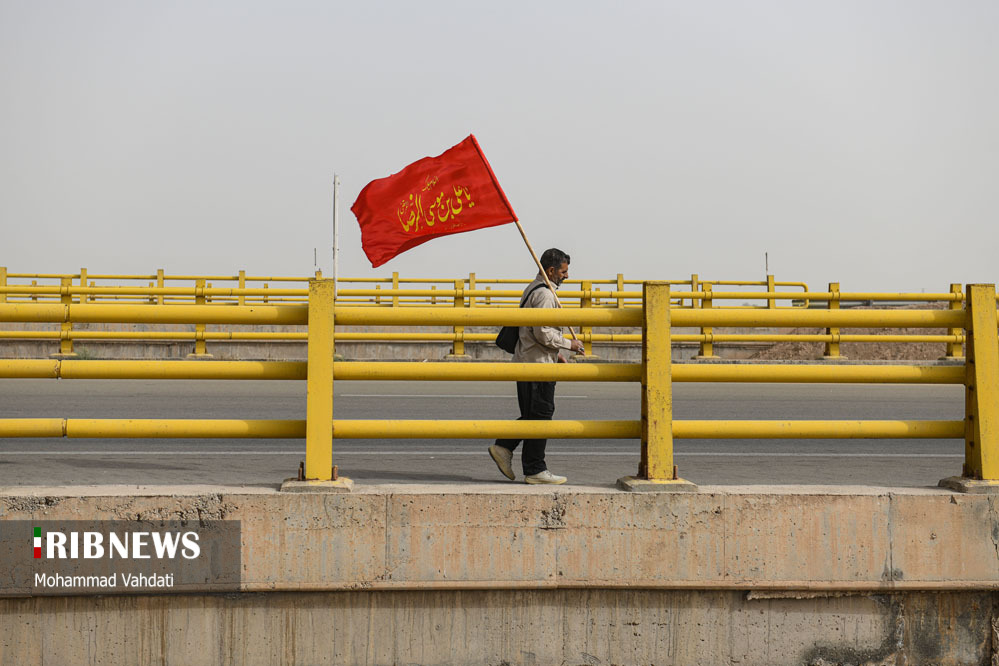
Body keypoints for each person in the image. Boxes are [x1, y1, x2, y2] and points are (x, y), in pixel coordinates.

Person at [488, 248, 584, 484]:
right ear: (551, 270)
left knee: (533, 415)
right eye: (563, 271)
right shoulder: (545, 295)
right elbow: (542, 332)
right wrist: (568, 344)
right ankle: (534, 468)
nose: (567, 276)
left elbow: (532, 331)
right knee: (541, 416)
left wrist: (556, 354)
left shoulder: (533, 288)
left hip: (530, 360)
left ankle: (505, 448)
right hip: (536, 366)